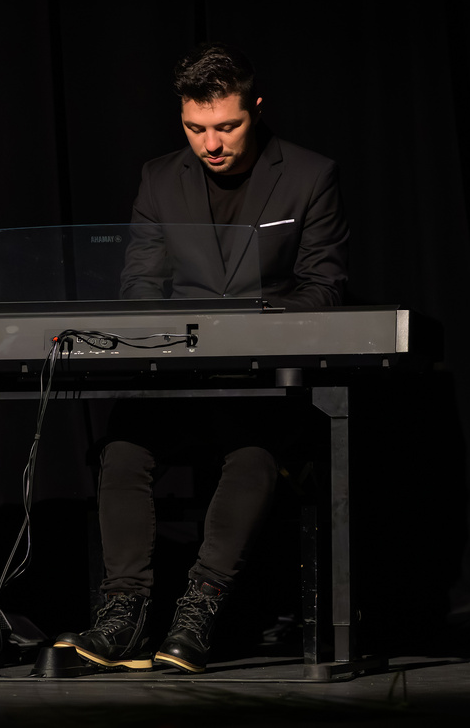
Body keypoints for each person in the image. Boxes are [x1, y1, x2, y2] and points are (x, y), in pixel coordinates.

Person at [54, 42, 349, 672]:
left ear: (256, 109)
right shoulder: (160, 178)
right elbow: (139, 285)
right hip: (179, 376)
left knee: (253, 455)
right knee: (122, 450)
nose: (210, 145)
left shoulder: (309, 174)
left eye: (226, 127)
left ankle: (198, 612)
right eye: (195, 129)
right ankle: (125, 613)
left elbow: (324, 288)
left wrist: (246, 326)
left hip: (265, 383)